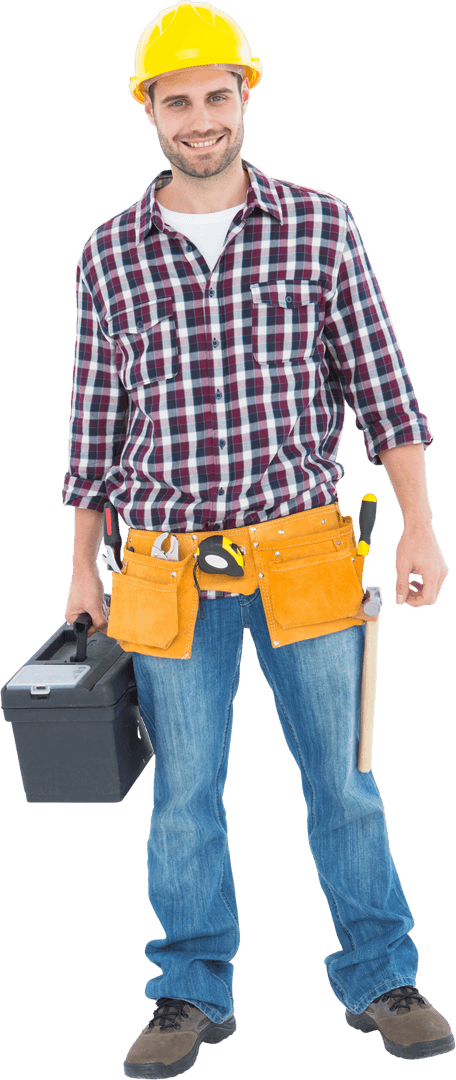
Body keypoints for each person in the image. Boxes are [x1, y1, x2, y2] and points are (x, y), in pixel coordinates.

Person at [62, 3, 453, 1076]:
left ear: (246, 96)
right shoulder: (109, 256)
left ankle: (383, 974)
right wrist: (78, 571)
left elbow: (387, 392)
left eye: (216, 96)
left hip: (306, 555)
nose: (199, 118)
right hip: (166, 571)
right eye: (176, 100)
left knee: (345, 779)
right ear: (149, 110)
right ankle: (189, 991)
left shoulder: (321, 225)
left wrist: (419, 524)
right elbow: (93, 430)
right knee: (184, 795)